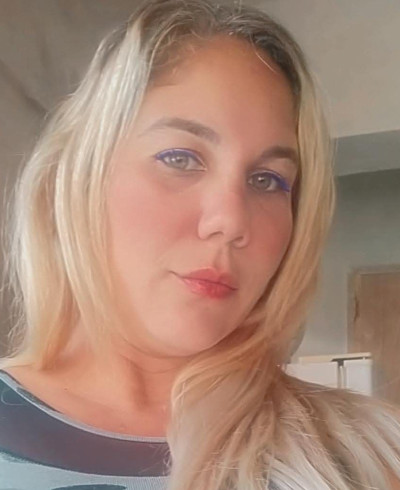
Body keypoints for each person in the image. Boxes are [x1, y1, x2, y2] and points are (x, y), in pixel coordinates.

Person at [1, 0, 400, 488]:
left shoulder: (367, 454)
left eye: (268, 180)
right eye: (180, 158)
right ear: (80, 175)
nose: (230, 221)